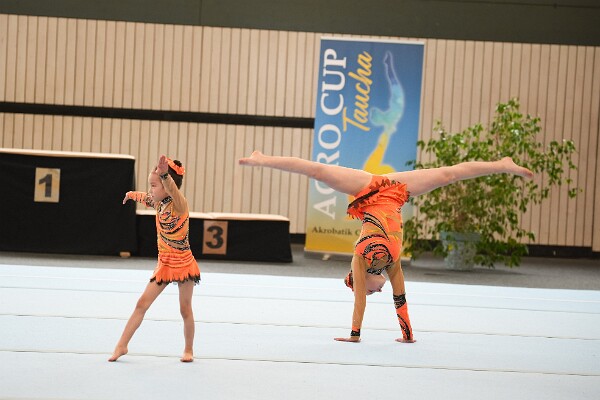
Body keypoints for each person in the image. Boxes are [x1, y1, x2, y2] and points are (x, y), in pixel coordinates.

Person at [239, 151, 533, 343]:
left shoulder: (360, 258)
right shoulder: (391, 264)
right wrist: (408, 334)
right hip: (397, 192)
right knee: (448, 176)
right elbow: (400, 298)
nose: (373, 292)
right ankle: (502, 166)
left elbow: (359, 301)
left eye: (369, 290)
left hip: (366, 187)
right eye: (371, 292)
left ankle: (262, 159)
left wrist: (355, 334)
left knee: (318, 171)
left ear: (360, 279)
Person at [109, 155, 201, 362]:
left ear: (167, 186)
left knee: (185, 309)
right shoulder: (159, 203)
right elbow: (145, 198)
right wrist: (131, 194)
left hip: (184, 264)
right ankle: (121, 345)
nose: (150, 190)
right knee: (142, 303)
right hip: (165, 264)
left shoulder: (180, 205)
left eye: (153, 185)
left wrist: (165, 175)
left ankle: (188, 349)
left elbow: (173, 191)